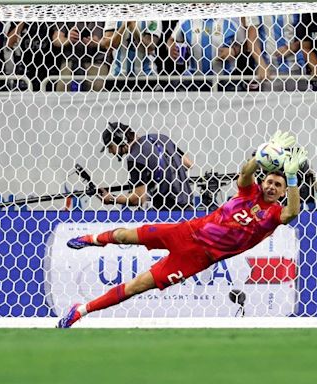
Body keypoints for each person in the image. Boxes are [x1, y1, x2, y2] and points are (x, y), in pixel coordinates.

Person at [57, 131, 306, 328]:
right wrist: (261, 154)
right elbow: (244, 174)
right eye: (270, 182)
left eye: (278, 185)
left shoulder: (273, 215)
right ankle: (93, 238)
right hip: (184, 231)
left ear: (284, 191)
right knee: (126, 235)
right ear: (263, 182)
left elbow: (292, 212)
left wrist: (292, 176)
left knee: (136, 286)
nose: (272, 187)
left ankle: (81, 310)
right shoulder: (248, 192)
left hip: (196, 259)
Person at [98, 121, 193, 209]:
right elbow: (188, 164)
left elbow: (137, 199)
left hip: (168, 213)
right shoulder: (161, 138)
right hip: (188, 208)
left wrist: (111, 199)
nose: (110, 151)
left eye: (110, 147)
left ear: (121, 140)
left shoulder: (135, 157)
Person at [245, 14, 307, 91]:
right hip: (269, 68)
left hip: (296, 67)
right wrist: (261, 65)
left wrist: (291, 47)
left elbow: (305, 36)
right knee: (271, 102)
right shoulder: (258, 7)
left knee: (298, 101)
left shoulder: (295, 5)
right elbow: (252, 39)